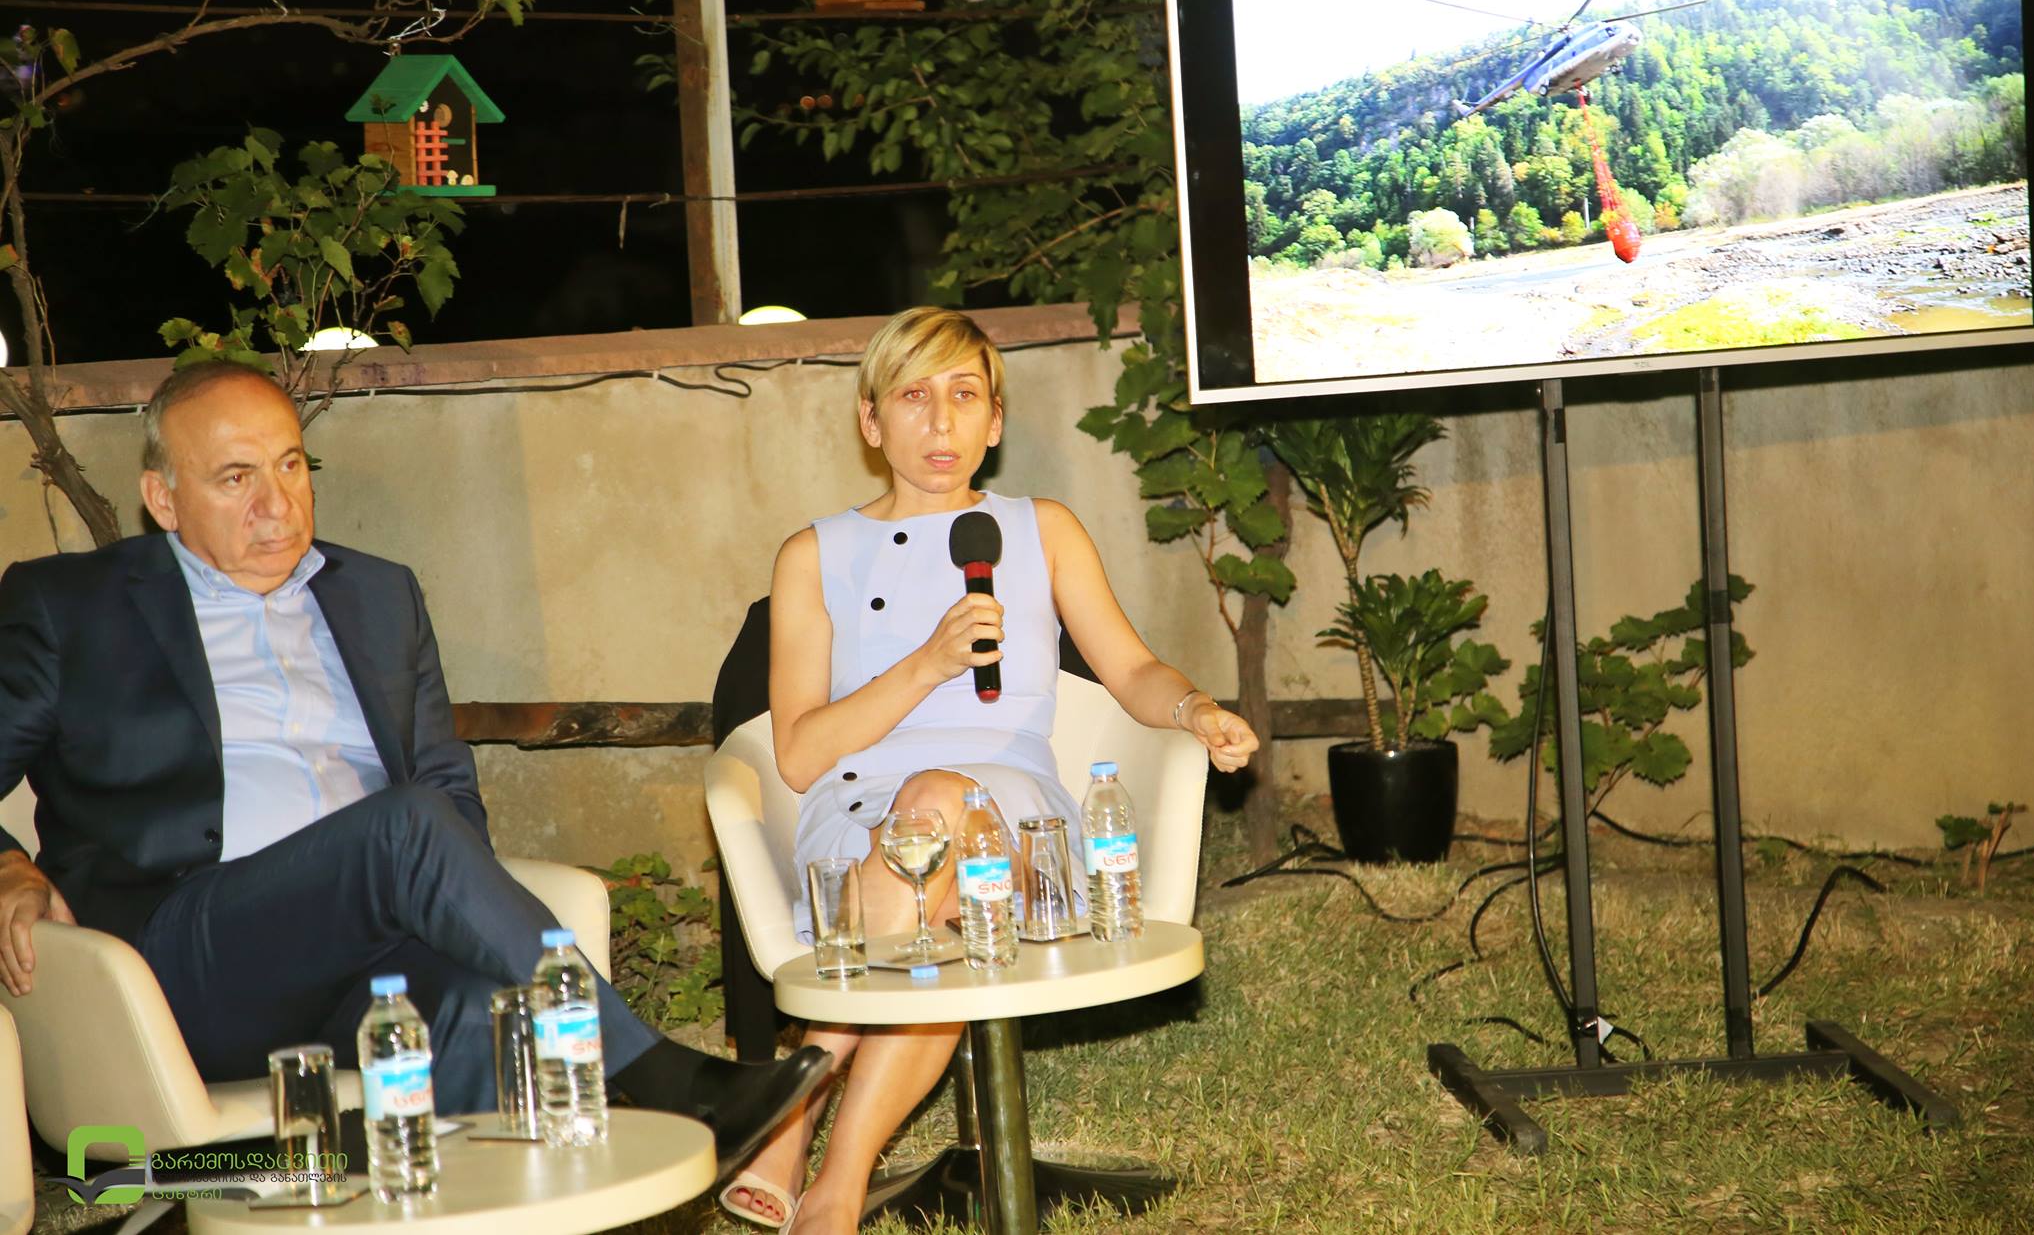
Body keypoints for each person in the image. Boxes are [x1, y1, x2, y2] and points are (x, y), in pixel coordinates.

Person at [0, 360, 829, 1180]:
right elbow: (420, 818)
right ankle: (659, 1077)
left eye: (289, 464)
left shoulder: (379, 594)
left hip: (361, 964)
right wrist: (8, 864)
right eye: (235, 477)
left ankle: (504, 1202)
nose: (275, 502)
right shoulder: (70, 606)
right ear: (163, 498)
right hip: (181, 964)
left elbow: (449, 787)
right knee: (404, 822)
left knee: (476, 1003)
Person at [722, 307, 1257, 1233]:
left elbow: (1131, 668)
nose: (941, 422)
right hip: (855, 820)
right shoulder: (812, 556)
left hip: (1016, 819)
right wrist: (927, 664)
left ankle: (801, 1114)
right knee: (939, 906)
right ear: (870, 420)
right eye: (913, 397)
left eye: (965, 395)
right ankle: (836, 1185)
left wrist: (1194, 709)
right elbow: (801, 753)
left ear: (996, 420)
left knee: (941, 806)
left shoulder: (1041, 530)